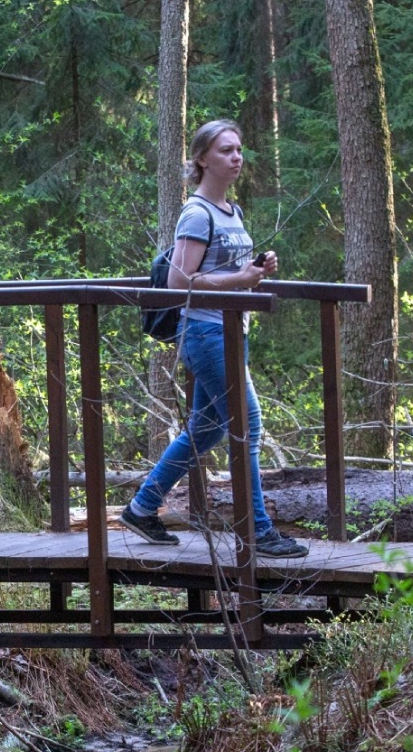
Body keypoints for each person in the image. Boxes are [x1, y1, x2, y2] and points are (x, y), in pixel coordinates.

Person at [120, 120, 308, 558]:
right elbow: (177, 279)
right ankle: (258, 532)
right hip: (204, 330)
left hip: (229, 329)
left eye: (239, 150)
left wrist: (257, 270)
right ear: (202, 159)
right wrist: (240, 277)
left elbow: (227, 272)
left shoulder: (233, 212)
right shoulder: (196, 212)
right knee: (249, 425)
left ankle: (141, 508)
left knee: (206, 429)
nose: (236, 157)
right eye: (226, 150)